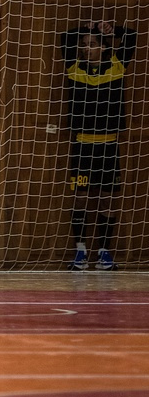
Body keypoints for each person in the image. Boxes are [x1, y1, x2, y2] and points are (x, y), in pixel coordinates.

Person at [60, 20, 135, 271]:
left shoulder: (116, 65)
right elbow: (65, 38)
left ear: (104, 47)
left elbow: (131, 37)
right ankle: (80, 251)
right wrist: (86, 28)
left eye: (92, 44)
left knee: (107, 200)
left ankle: (104, 252)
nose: (86, 48)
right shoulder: (74, 67)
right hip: (82, 147)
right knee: (80, 198)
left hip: (109, 147)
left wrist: (111, 30)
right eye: (84, 44)